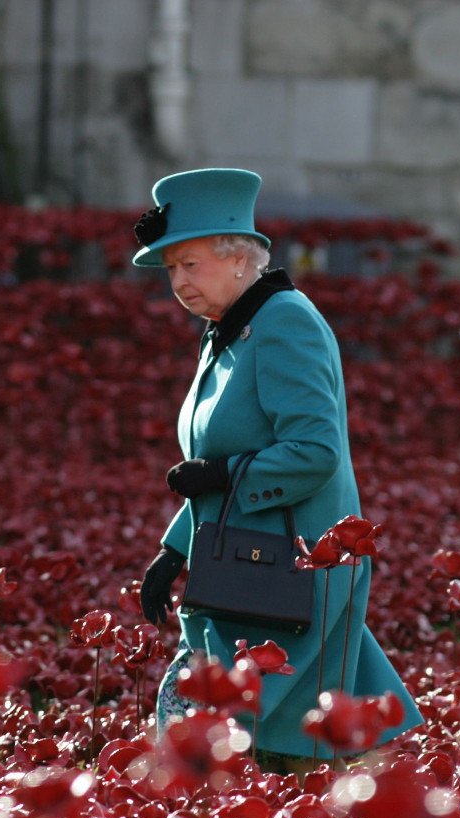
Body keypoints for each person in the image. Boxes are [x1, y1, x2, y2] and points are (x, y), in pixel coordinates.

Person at [133, 167, 423, 772]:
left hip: (287, 572)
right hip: (244, 567)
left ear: (240, 259)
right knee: (270, 745)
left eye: (191, 264)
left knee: (230, 738)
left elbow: (316, 451)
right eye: (171, 270)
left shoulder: (284, 321)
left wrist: (222, 473)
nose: (179, 282)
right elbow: (213, 464)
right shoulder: (230, 332)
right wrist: (175, 548)